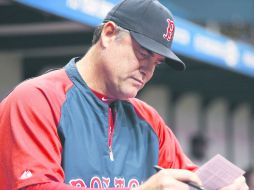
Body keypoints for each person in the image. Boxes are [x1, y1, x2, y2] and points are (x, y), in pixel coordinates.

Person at [0, 0, 248, 189]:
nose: (148, 70)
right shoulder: (36, 100)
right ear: (108, 34)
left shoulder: (149, 120)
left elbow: (191, 179)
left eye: (157, 62)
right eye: (143, 53)